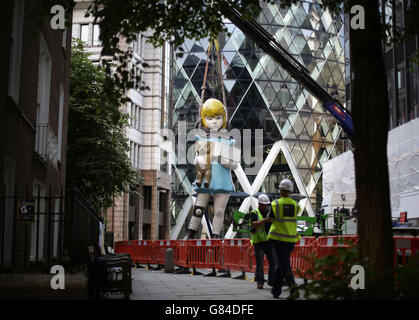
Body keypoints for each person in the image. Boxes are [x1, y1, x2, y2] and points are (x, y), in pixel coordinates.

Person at [185, 98, 238, 239]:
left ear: (224, 119)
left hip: (222, 180)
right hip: (206, 179)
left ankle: (215, 236)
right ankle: (190, 233)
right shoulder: (201, 139)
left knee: (219, 211)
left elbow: (235, 164)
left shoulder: (229, 141)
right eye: (209, 118)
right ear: (204, 119)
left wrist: (224, 161)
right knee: (198, 209)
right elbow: (196, 159)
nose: (214, 122)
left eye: (218, 118)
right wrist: (199, 160)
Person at [257, 179, 301, 300]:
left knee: (285, 265)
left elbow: (270, 218)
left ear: (281, 190)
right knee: (282, 264)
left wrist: (259, 222)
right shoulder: (296, 205)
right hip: (291, 238)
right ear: (290, 191)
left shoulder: (276, 203)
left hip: (278, 238)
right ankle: (276, 290)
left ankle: (294, 289)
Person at [249, 194, 276, 289]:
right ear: (259, 204)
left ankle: (272, 281)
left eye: (267, 204)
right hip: (259, 242)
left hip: (269, 241)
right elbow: (253, 224)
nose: (266, 206)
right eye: (264, 204)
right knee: (260, 263)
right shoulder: (254, 213)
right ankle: (260, 282)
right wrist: (266, 220)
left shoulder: (270, 212)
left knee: (273, 262)